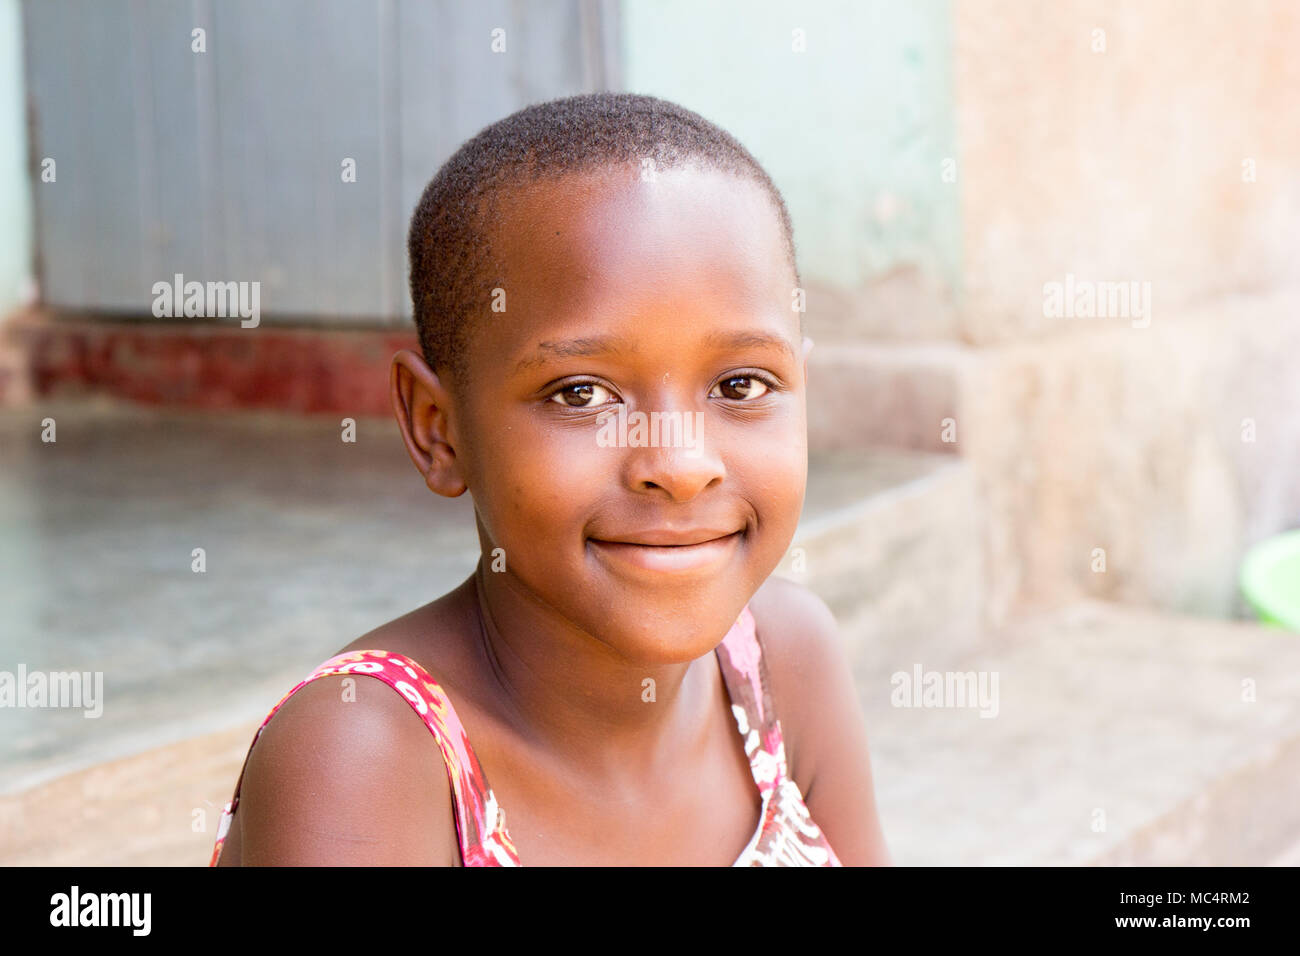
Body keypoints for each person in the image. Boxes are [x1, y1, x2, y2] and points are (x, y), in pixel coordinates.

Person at [210, 91, 890, 866]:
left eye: (740, 385)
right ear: (439, 429)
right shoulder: (365, 754)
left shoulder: (779, 662)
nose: (680, 465)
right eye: (582, 394)